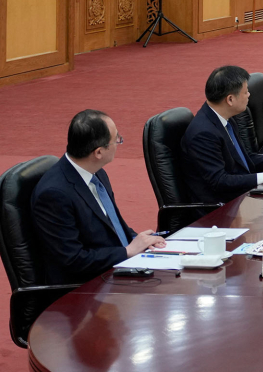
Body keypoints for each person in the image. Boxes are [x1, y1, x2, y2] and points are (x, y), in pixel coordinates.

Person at [32, 110, 167, 284]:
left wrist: (138, 239)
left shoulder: (96, 173)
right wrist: (126, 252)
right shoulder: (54, 195)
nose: (119, 142)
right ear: (98, 152)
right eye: (117, 139)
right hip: (88, 286)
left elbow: (111, 225)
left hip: (116, 267)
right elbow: (73, 260)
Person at [181, 65, 263, 205]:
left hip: (241, 196)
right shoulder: (203, 133)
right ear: (230, 100)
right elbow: (219, 181)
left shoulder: (226, 118)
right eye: (245, 92)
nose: (249, 95)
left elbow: (244, 158)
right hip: (221, 207)